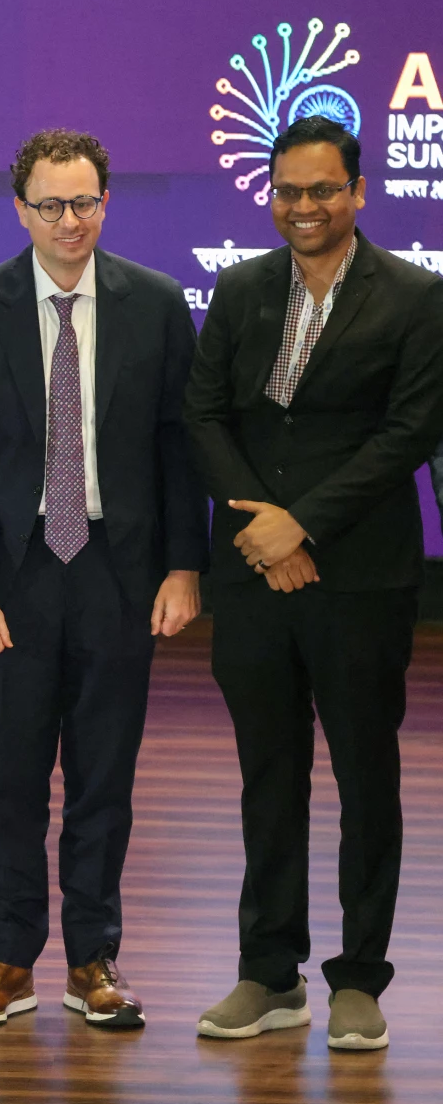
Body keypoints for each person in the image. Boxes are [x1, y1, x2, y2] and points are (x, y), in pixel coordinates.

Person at [0, 129, 206, 1029]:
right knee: (11, 776)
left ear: (105, 202)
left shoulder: (158, 305)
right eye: (50, 203)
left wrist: (184, 563)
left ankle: (95, 957)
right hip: (13, 574)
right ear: (20, 209)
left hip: (119, 573)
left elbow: (177, 445)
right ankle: (9, 955)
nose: (69, 219)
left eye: (84, 201)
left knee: (104, 777)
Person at [186, 116, 443, 1051]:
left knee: (366, 778)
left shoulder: (417, 297)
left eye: (322, 190)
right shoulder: (241, 286)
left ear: (359, 193)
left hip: (360, 575)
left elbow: (409, 432)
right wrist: (264, 527)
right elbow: (204, 414)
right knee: (269, 776)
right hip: (256, 573)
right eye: (287, 191)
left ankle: (360, 979)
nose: (303, 207)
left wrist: (309, 522)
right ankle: (270, 972)